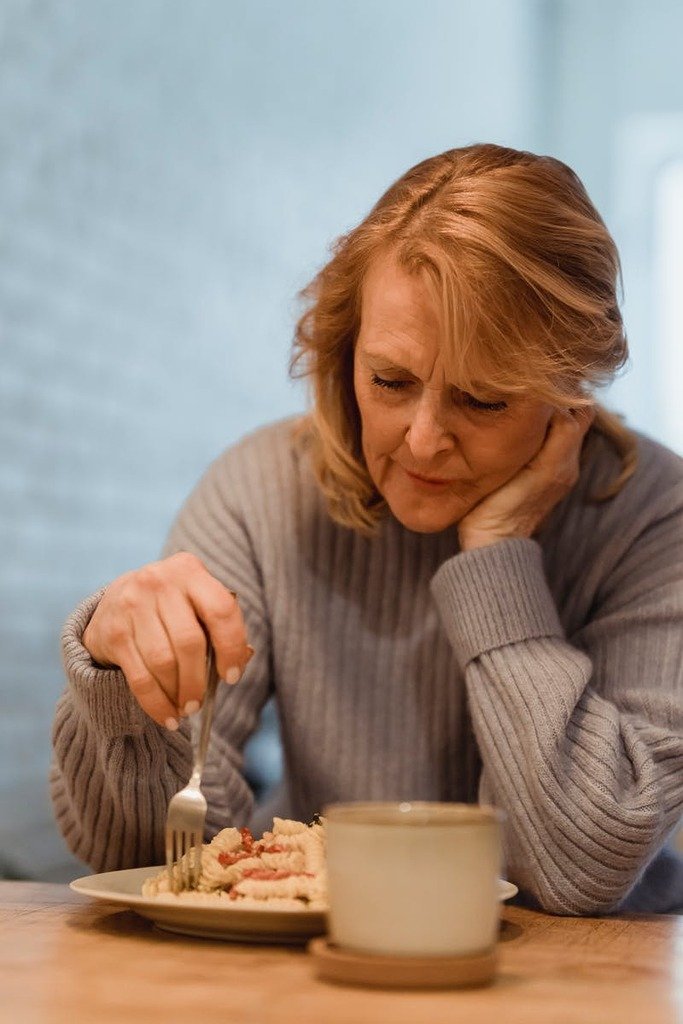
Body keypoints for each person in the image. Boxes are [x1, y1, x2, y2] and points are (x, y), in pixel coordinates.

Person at [51, 143, 683, 915]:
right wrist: (119, 685)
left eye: (482, 401)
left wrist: (497, 557)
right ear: (343, 350)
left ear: (568, 392)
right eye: (389, 381)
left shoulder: (654, 515)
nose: (422, 441)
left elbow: (576, 871)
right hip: (321, 969)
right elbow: (154, 855)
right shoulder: (261, 490)